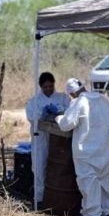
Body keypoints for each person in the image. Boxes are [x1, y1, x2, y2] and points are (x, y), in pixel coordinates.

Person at [56, 78, 109, 216]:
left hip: (86, 151)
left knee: (88, 183)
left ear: (72, 93)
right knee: (104, 180)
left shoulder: (79, 102)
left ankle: (92, 215)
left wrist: (58, 117)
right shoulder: (104, 99)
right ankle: (108, 210)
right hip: (103, 149)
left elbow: (67, 124)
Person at [25, 72, 71, 204]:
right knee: (39, 169)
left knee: (57, 168)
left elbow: (70, 112)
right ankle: (39, 199)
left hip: (59, 140)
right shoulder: (34, 101)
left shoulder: (62, 97)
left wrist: (59, 110)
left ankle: (55, 198)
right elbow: (31, 117)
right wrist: (42, 114)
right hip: (40, 139)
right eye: (45, 87)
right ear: (41, 87)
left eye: (51, 86)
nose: (49, 89)